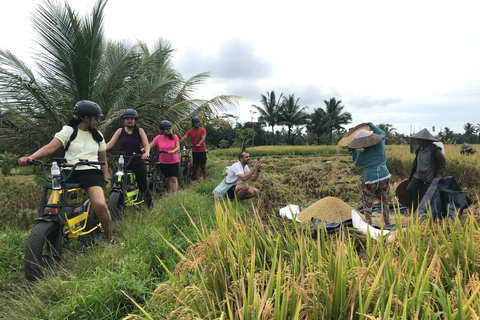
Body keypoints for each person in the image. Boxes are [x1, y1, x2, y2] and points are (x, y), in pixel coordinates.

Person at [18, 100, 113, 243]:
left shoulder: (98, 136)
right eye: (96, 118)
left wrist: (104, 178)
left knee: (100, 205)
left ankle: (110, 239)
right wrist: (31, 157)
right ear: (85, 118)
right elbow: (50, 147)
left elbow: (103, 159)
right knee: (50, 209)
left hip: (91, 173)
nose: (98, 121)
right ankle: (53, 235)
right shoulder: (69, 131)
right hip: (69, 172)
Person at [348, 122, 391, 226]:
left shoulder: (362, 155)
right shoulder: (380, 145)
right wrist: (372, 126)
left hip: (370, 180)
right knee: (384, 201)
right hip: (385, 176)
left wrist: (353, 153)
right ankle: (387, 222)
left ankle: (369, 224)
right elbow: (382, 134)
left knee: (368, 202)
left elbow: (357, 163)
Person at [106, 109, 150, 202]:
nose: (129, 120)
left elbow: (146, 145)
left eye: (132, 118)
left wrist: (146, 153)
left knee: (143, 186)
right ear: (124, 120)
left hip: (137, 161)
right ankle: (119, 202)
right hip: (124, 162)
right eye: (127, 118)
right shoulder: (120, 131)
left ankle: (149, 204)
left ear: (135, 120)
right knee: (118, 182)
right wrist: (99, 150)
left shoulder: (140, 131)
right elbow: (110, 144)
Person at [406, 128, 446, 211]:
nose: (417, 141)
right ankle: (414, 208)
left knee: (429, 195)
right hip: (418, 175)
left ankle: (428, 211)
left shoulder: (435, 150)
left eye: (419, 139)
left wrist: (439, 174)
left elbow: (442, 162)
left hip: (429, 176)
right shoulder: (419, 149)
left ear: (425, 140)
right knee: (410, 189)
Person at [148, 120, 180, 194]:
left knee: (174, 178)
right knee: (167, 179)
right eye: (167, 129)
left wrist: (173, 151)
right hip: (164, 161)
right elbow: (149, 146)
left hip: (174, 160)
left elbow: (178, 147)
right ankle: (169, 193)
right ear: (162, 130)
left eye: (170, 129)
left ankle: (175, 194)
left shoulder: (174, 137)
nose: (169, 130)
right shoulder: (158, 138)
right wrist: (142, 150)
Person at [179, 117, 207, 185]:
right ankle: (198, 180)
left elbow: (203, 138)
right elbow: (184, 138)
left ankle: (205, 181)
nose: (197, 123)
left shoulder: (202, 130)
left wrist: (199, 143)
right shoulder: (190, 131)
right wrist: (178, 142)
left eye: (198, 122)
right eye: (195, 122)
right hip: (195, 151)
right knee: (196, 165)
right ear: (193, 123)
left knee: (203, 165)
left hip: (202, 150)